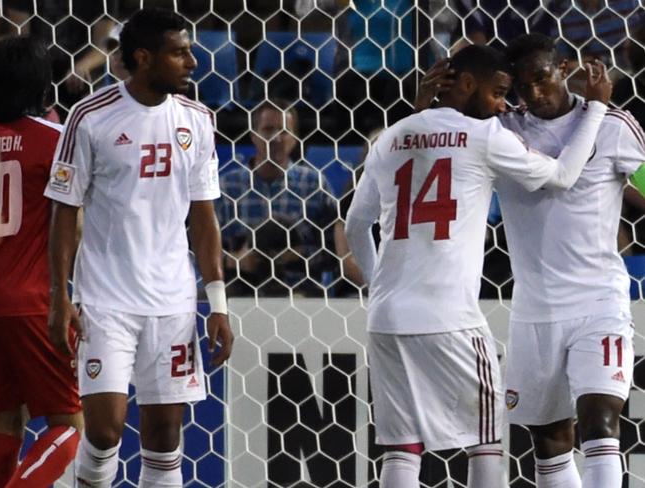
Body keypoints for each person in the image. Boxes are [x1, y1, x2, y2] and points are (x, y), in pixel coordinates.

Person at [345, 44, 611, 488]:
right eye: (498, 92)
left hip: (386, 319)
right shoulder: (483, 136)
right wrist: (598, 107)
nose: (504, 104)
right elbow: (564, 176)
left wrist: (378, 286)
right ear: (467, 84)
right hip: (452, 319)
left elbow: (356, 226)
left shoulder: (391, 135)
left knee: (401, 448)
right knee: (486, 441)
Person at [417, 33, 645, 488]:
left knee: (600, 424)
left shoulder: (614, 127)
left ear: (564, 68)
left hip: (600, 302)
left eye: (542, 79)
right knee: (550, 441)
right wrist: (426, 105)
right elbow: (437, 147)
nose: (535, 94)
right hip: (534, 311)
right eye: (522, 87)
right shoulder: (501, 131)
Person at [44, 8, 233, 488]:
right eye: (180, 52)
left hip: (171, 300)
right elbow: (64, 210)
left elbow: (204, 217)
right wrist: (59, 295)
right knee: (105, 431)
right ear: (144, 58)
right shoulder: (90, 117)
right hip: (105, 300)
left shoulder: (199, 120)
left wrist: (218, 304)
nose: (192, 61)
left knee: (165, 433)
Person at [0, 36, 83, 488]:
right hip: (34, 301)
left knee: (4, 419)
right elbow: (77, 224)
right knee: (69, 424)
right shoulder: (54, 140)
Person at [216, 99, 337, 297]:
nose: (276, 138)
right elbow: (200, 246)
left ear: (295, 138)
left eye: (284, 131)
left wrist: (300, 256)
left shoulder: (314, 185)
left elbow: (336, 250)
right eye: (268, 129)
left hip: (301, 294)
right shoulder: (227, 187)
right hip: (241, 292)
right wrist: (234, 260)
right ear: (253, 135)